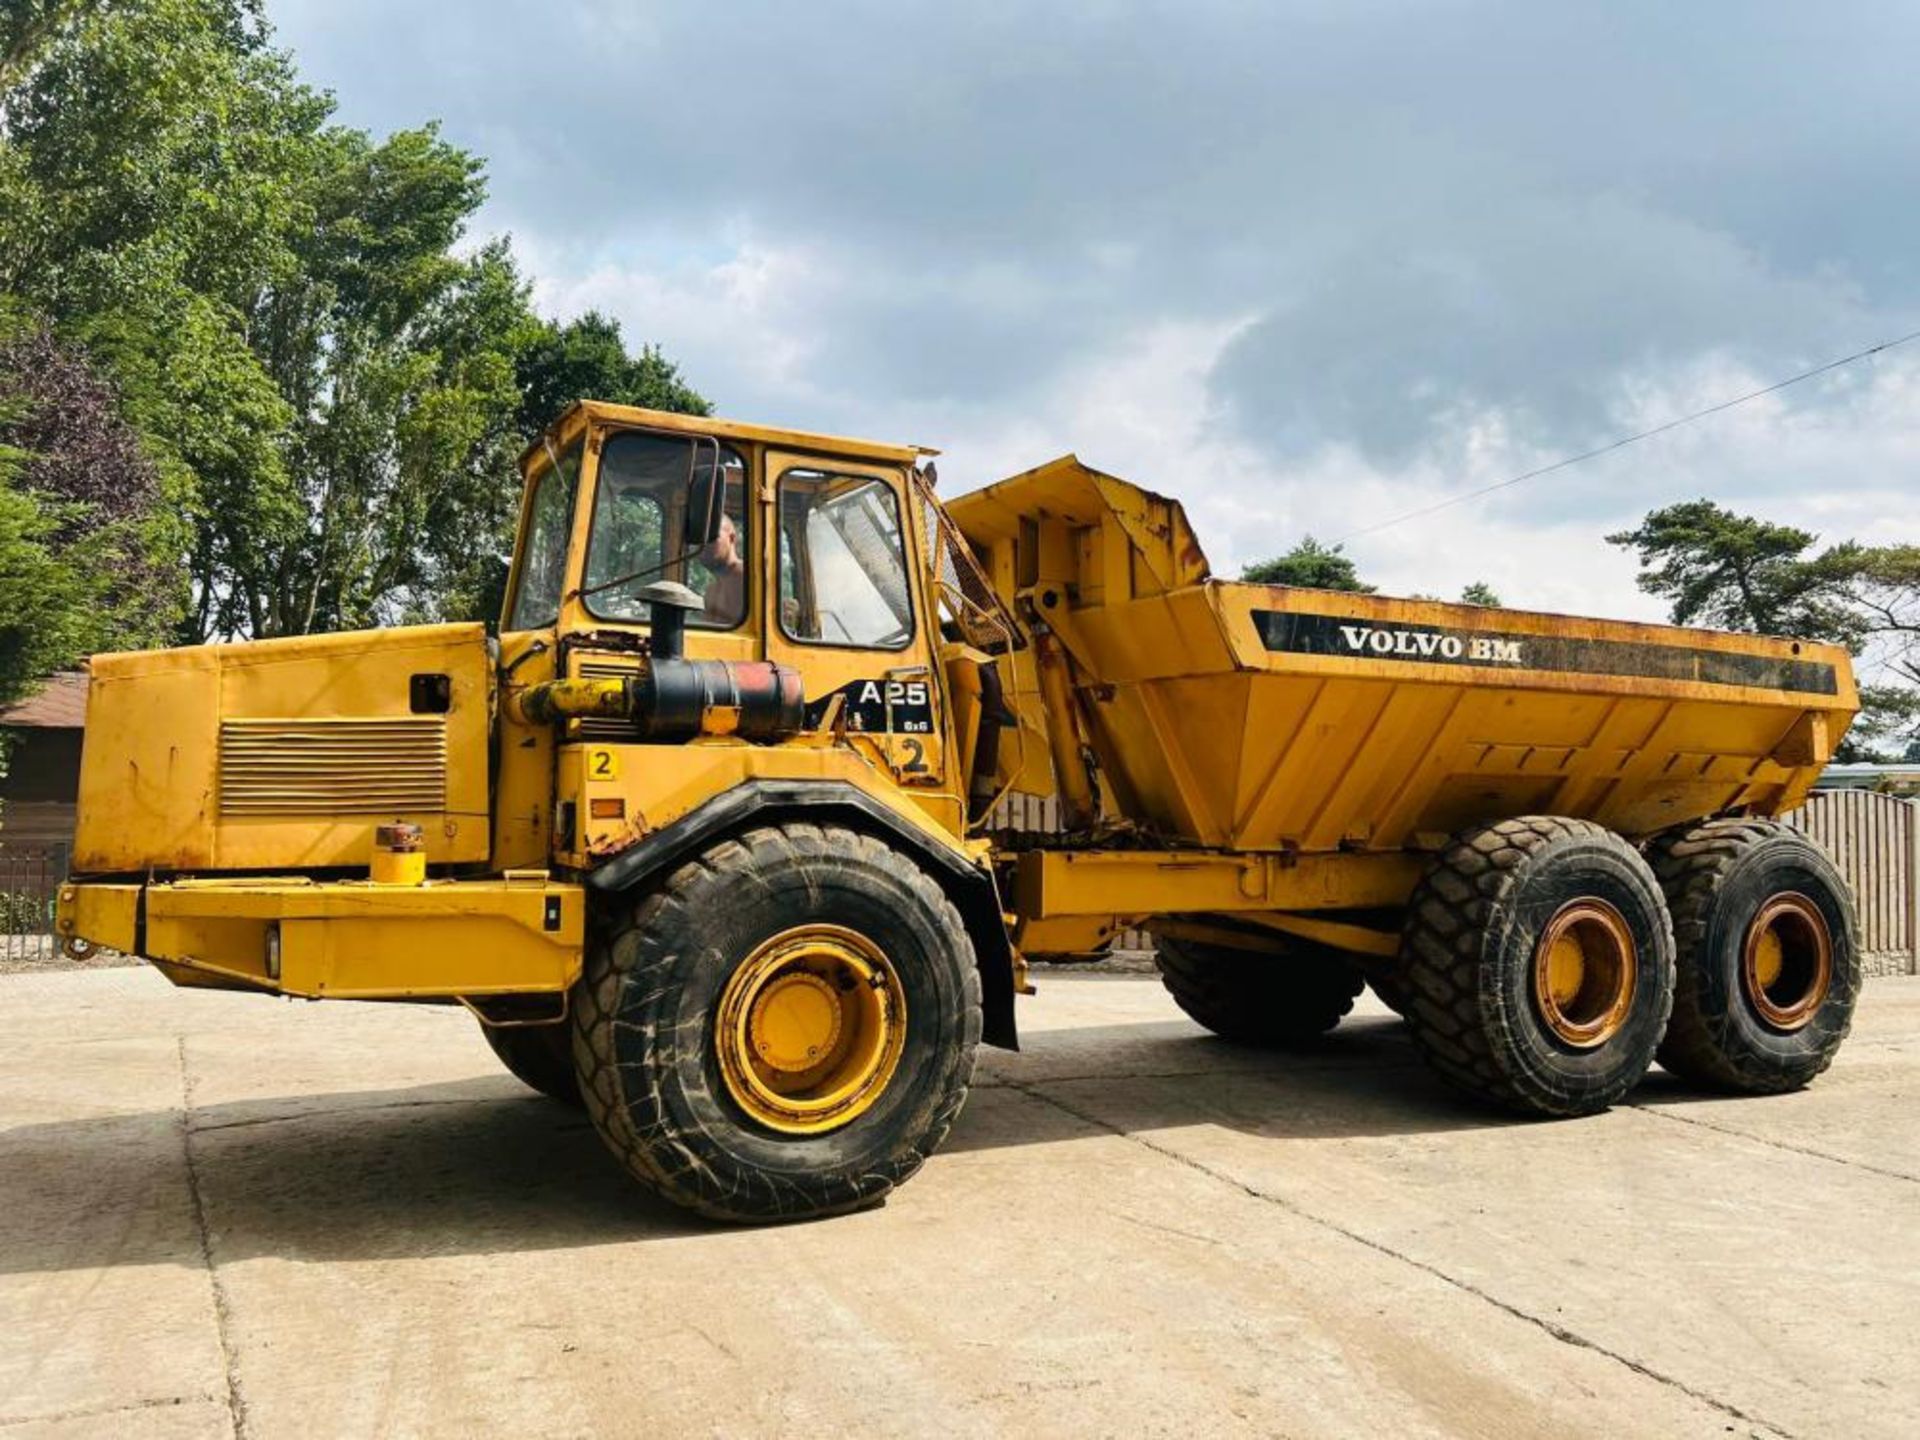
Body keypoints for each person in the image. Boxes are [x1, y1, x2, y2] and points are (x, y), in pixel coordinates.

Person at [700, 510, 745, 625]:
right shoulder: (711, 589)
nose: (703, 544)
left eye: (712, 537)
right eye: (699, 538)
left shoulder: (746, 578)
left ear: (732, 538)